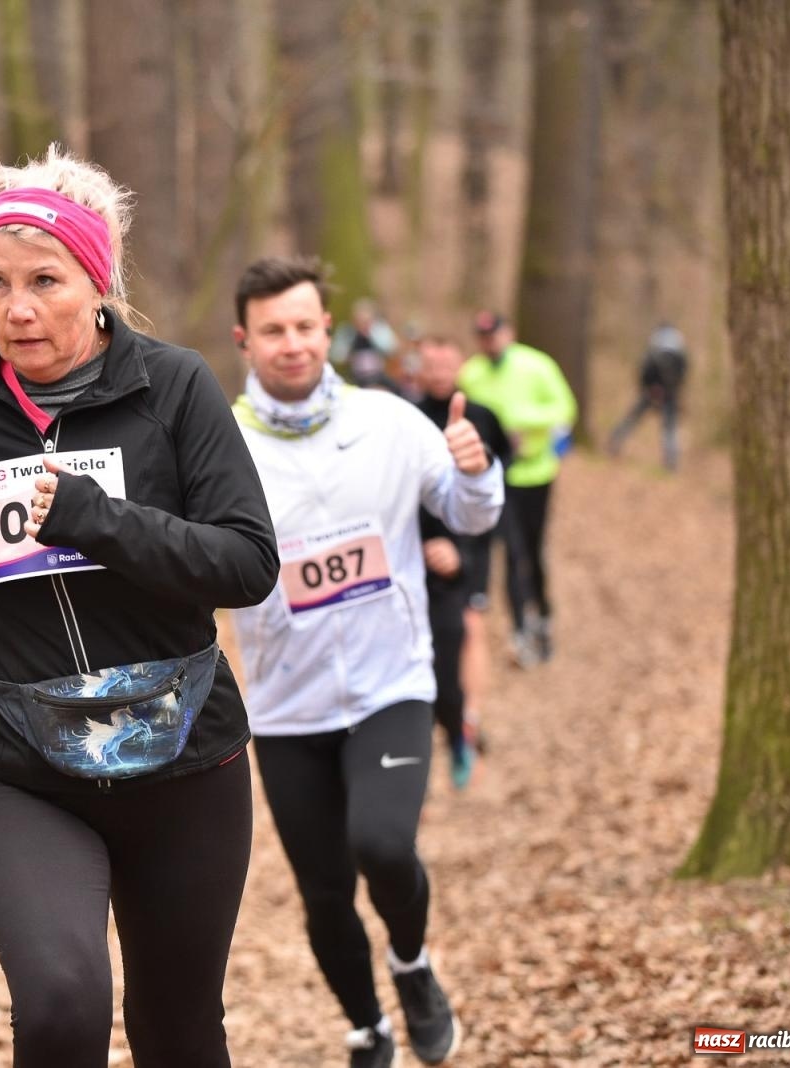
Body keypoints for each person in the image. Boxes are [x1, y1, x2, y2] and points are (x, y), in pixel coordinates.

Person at [0, 145, 279, 1068]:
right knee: (60, 1004)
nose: (17, 308)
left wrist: (100, 520)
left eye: (44, 281)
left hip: (183, 755)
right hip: (17, 760)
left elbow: (246, 562)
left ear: (98, 283)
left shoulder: (175, 389)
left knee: (178, 1031)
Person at [228, 257, 504, 1068]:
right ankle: (367, 1026)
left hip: (391, 685)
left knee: (383, 845)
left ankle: (412, 964)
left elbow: (467, 513)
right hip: (286, 706)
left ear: (329, 332)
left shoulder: (388, 420)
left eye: (304, 327)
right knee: (324, 892)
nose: (291, 344)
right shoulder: (221, 445)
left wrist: (475, 469)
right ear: (245, 340)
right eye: (273, 330)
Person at [412, 336, 512, 789]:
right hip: (418, 553)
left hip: (470, 547)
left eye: (445, 364)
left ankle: (465, 723)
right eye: (430, 365)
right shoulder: (406, 416)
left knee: (468, 626)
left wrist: (467, 549)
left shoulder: (482, 416)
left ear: (460, 365)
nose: (438, 373)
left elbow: (498, 477)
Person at [458, 311, 578, 667]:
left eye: (494, 334)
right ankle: (520, 629)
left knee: (532, 550)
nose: (489, 341)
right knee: (512, 553)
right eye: (483, 336)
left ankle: (542, 614)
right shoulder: (470, 374)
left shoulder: (537, 365)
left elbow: (565, 409)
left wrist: (521, 421)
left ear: (508, 333)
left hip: (536, 473)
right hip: (495, 477)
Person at [608, 323, 688, 471]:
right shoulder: (678, 346)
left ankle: (615, 441)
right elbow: (683, 373)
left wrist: (649, 387)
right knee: (669, 427)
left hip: (653, 391)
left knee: (633, 418)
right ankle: (671, 460)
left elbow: (644, 368)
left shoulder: (656, 342)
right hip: (665, 392)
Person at [329, 297, 401, 391]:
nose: (363, 324)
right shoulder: (348, 333)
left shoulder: (379, 330)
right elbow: (336, 355)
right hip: (355, 377)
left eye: (366, 320)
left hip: (379, 376)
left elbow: (392, 349)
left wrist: (372, 334)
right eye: (359, 320)